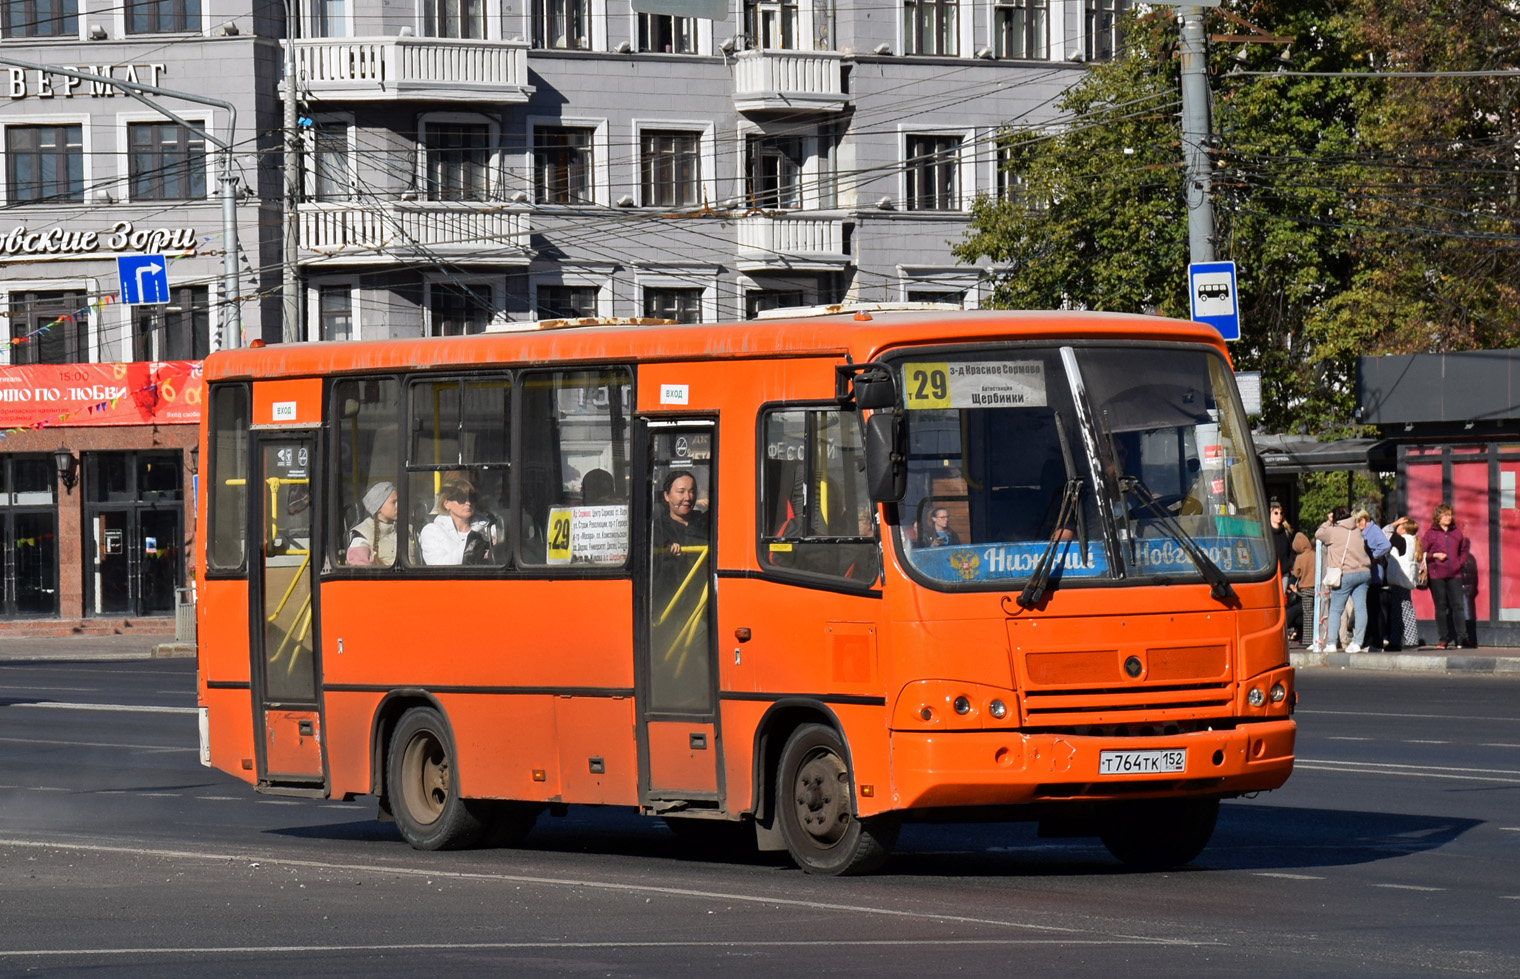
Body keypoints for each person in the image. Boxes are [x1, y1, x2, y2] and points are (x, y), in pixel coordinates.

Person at [1315, 506, 1372, 653]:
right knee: (1360, 608)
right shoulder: (1357, 531)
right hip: (1364, 572)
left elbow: (1318, 534)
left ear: (1334, 517)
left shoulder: (1333, 531)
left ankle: (1332, 643)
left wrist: (1328, 522)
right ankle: (1357, 642)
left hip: (1345, 574)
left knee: (1335, 609)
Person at [1420, 502, 1470, 649]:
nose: (1448, 518)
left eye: (1450, 515)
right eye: (1445, 515)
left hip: (1455, 574)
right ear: (1438, 517)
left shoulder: (1456, 533)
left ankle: (1463, 638)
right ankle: (1443, 639)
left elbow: (1464, 550)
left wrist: (1459, 563)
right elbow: (1420, 552)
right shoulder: (1431, 533)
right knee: (1441, 607)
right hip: (1436, 575)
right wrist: (1434, 555)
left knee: (1458, 607)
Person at [419, 480, 493, 565]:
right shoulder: (432, 531)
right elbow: (437, 565)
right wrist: (473, 545)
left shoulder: (490, 527)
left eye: (471, 498)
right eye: (461, 498)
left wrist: (495, 549)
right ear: (446, 504)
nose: (468, 503)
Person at [1381, 516, 1422, 652]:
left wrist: (1395, 522)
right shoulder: (1412, 541)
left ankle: (1407, 641)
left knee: (1402, 610)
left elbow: (1384, 533)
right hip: (1404, 580)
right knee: (1402, 610)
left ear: (1403, 529)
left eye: (1399, 526)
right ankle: (1399, 640)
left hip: (1400, 580)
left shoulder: (1402, 540)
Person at [1354, 509, 1391, 650]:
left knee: (1375, 608)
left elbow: (1386, 545)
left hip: (1374, 574)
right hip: (1368, 573)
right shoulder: (1364, 531)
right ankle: (1370, 639)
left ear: (1363, 521)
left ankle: (1377, 640)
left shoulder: (1373, 530)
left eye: (1357, 522)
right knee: (1369, 607)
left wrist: (1372, 556)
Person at [345, 481, 398, 567]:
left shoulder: (408, 530)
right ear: (379, 506)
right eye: (394, 502)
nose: (398, 505)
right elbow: (359, 572)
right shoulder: (362, 534)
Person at [1286, 531, 1313, 644]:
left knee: (1307, 615)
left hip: (1305, 588)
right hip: (1316, 589)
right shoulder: (1315, 554)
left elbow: (1296, 573)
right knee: (1312, 614)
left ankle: (1308, 640)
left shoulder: (1300, 558)